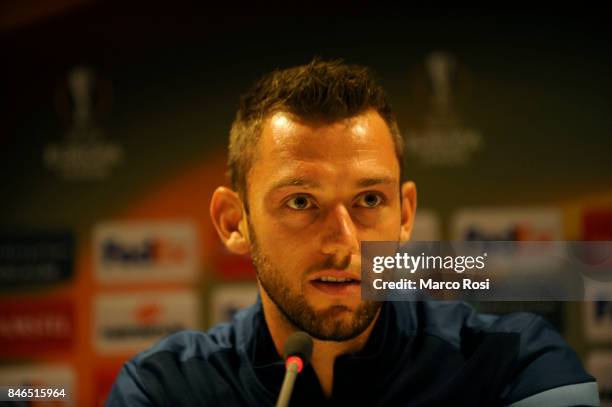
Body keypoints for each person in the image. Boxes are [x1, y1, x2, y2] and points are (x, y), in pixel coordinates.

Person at [106, 59, 598, 406]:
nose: (343, 242)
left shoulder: (516, 361)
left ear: (404, 214)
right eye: (301, 202)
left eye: (369, 200)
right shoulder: (162, 388)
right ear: (234, 222)